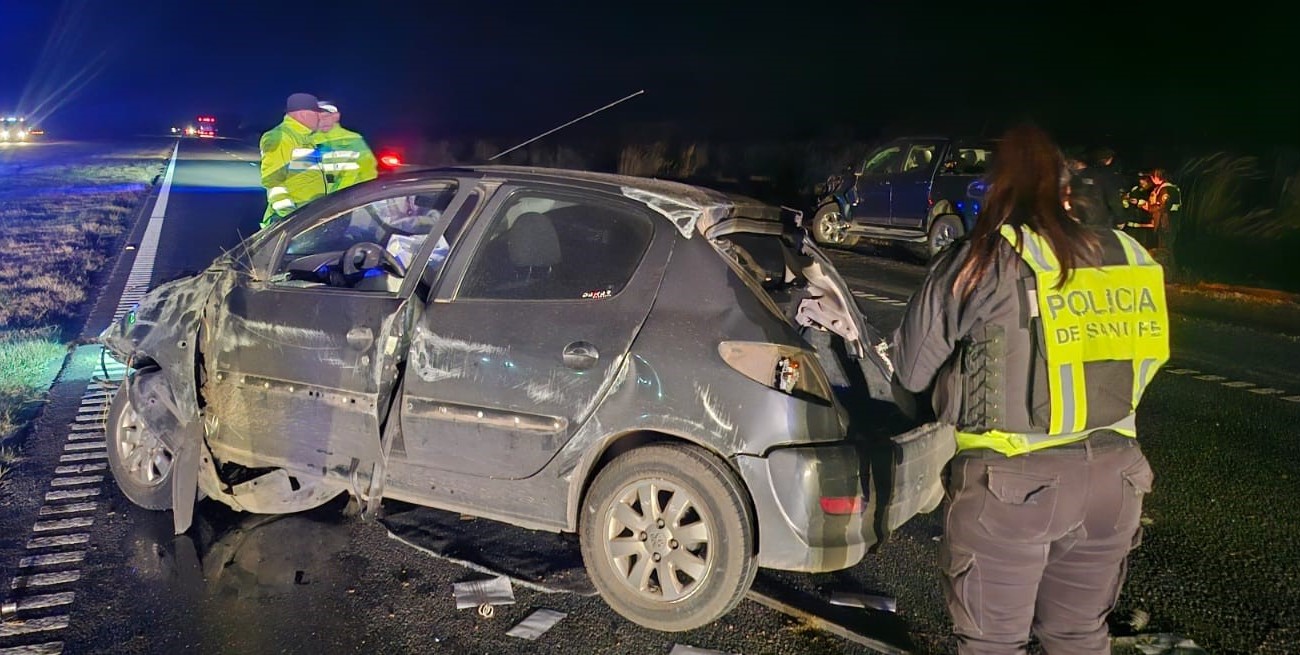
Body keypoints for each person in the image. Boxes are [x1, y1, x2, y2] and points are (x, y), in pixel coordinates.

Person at [890, 124, 1168, 655]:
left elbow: (909, 371)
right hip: (1118, 478)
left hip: (1009, 488)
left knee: (993, 643)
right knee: (1079, 638)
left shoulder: (983, 260)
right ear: (1068, 189)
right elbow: (1148, 359)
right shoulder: (1133, 256)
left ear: (997, 189)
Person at [259, 93, 328, 229]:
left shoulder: (306, 138)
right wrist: (290, 219)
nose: (320, 117)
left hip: (309, 216)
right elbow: (273, 182)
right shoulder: (280, 137)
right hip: (292, 221)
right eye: (316, 113)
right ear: (303, 114)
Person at [313, 100, 378, 193]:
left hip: (350, 199)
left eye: (326, 116)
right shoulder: (306, 142)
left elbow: (368, 171)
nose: (323, 121)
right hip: (318, 202)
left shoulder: (354, 139)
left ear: (336, 116)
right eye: (318, 118)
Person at [1146, 168, 1182, 251]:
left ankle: (1166, 263)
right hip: (1166, 223)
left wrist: (1149, 207)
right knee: (1164, 246)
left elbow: (1162, 206)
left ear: (1157, 177)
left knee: (1165, 248)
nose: (1152, 180)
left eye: (1152, 177)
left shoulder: (1166, 189)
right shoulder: (1165, 188)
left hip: (1166, 224)